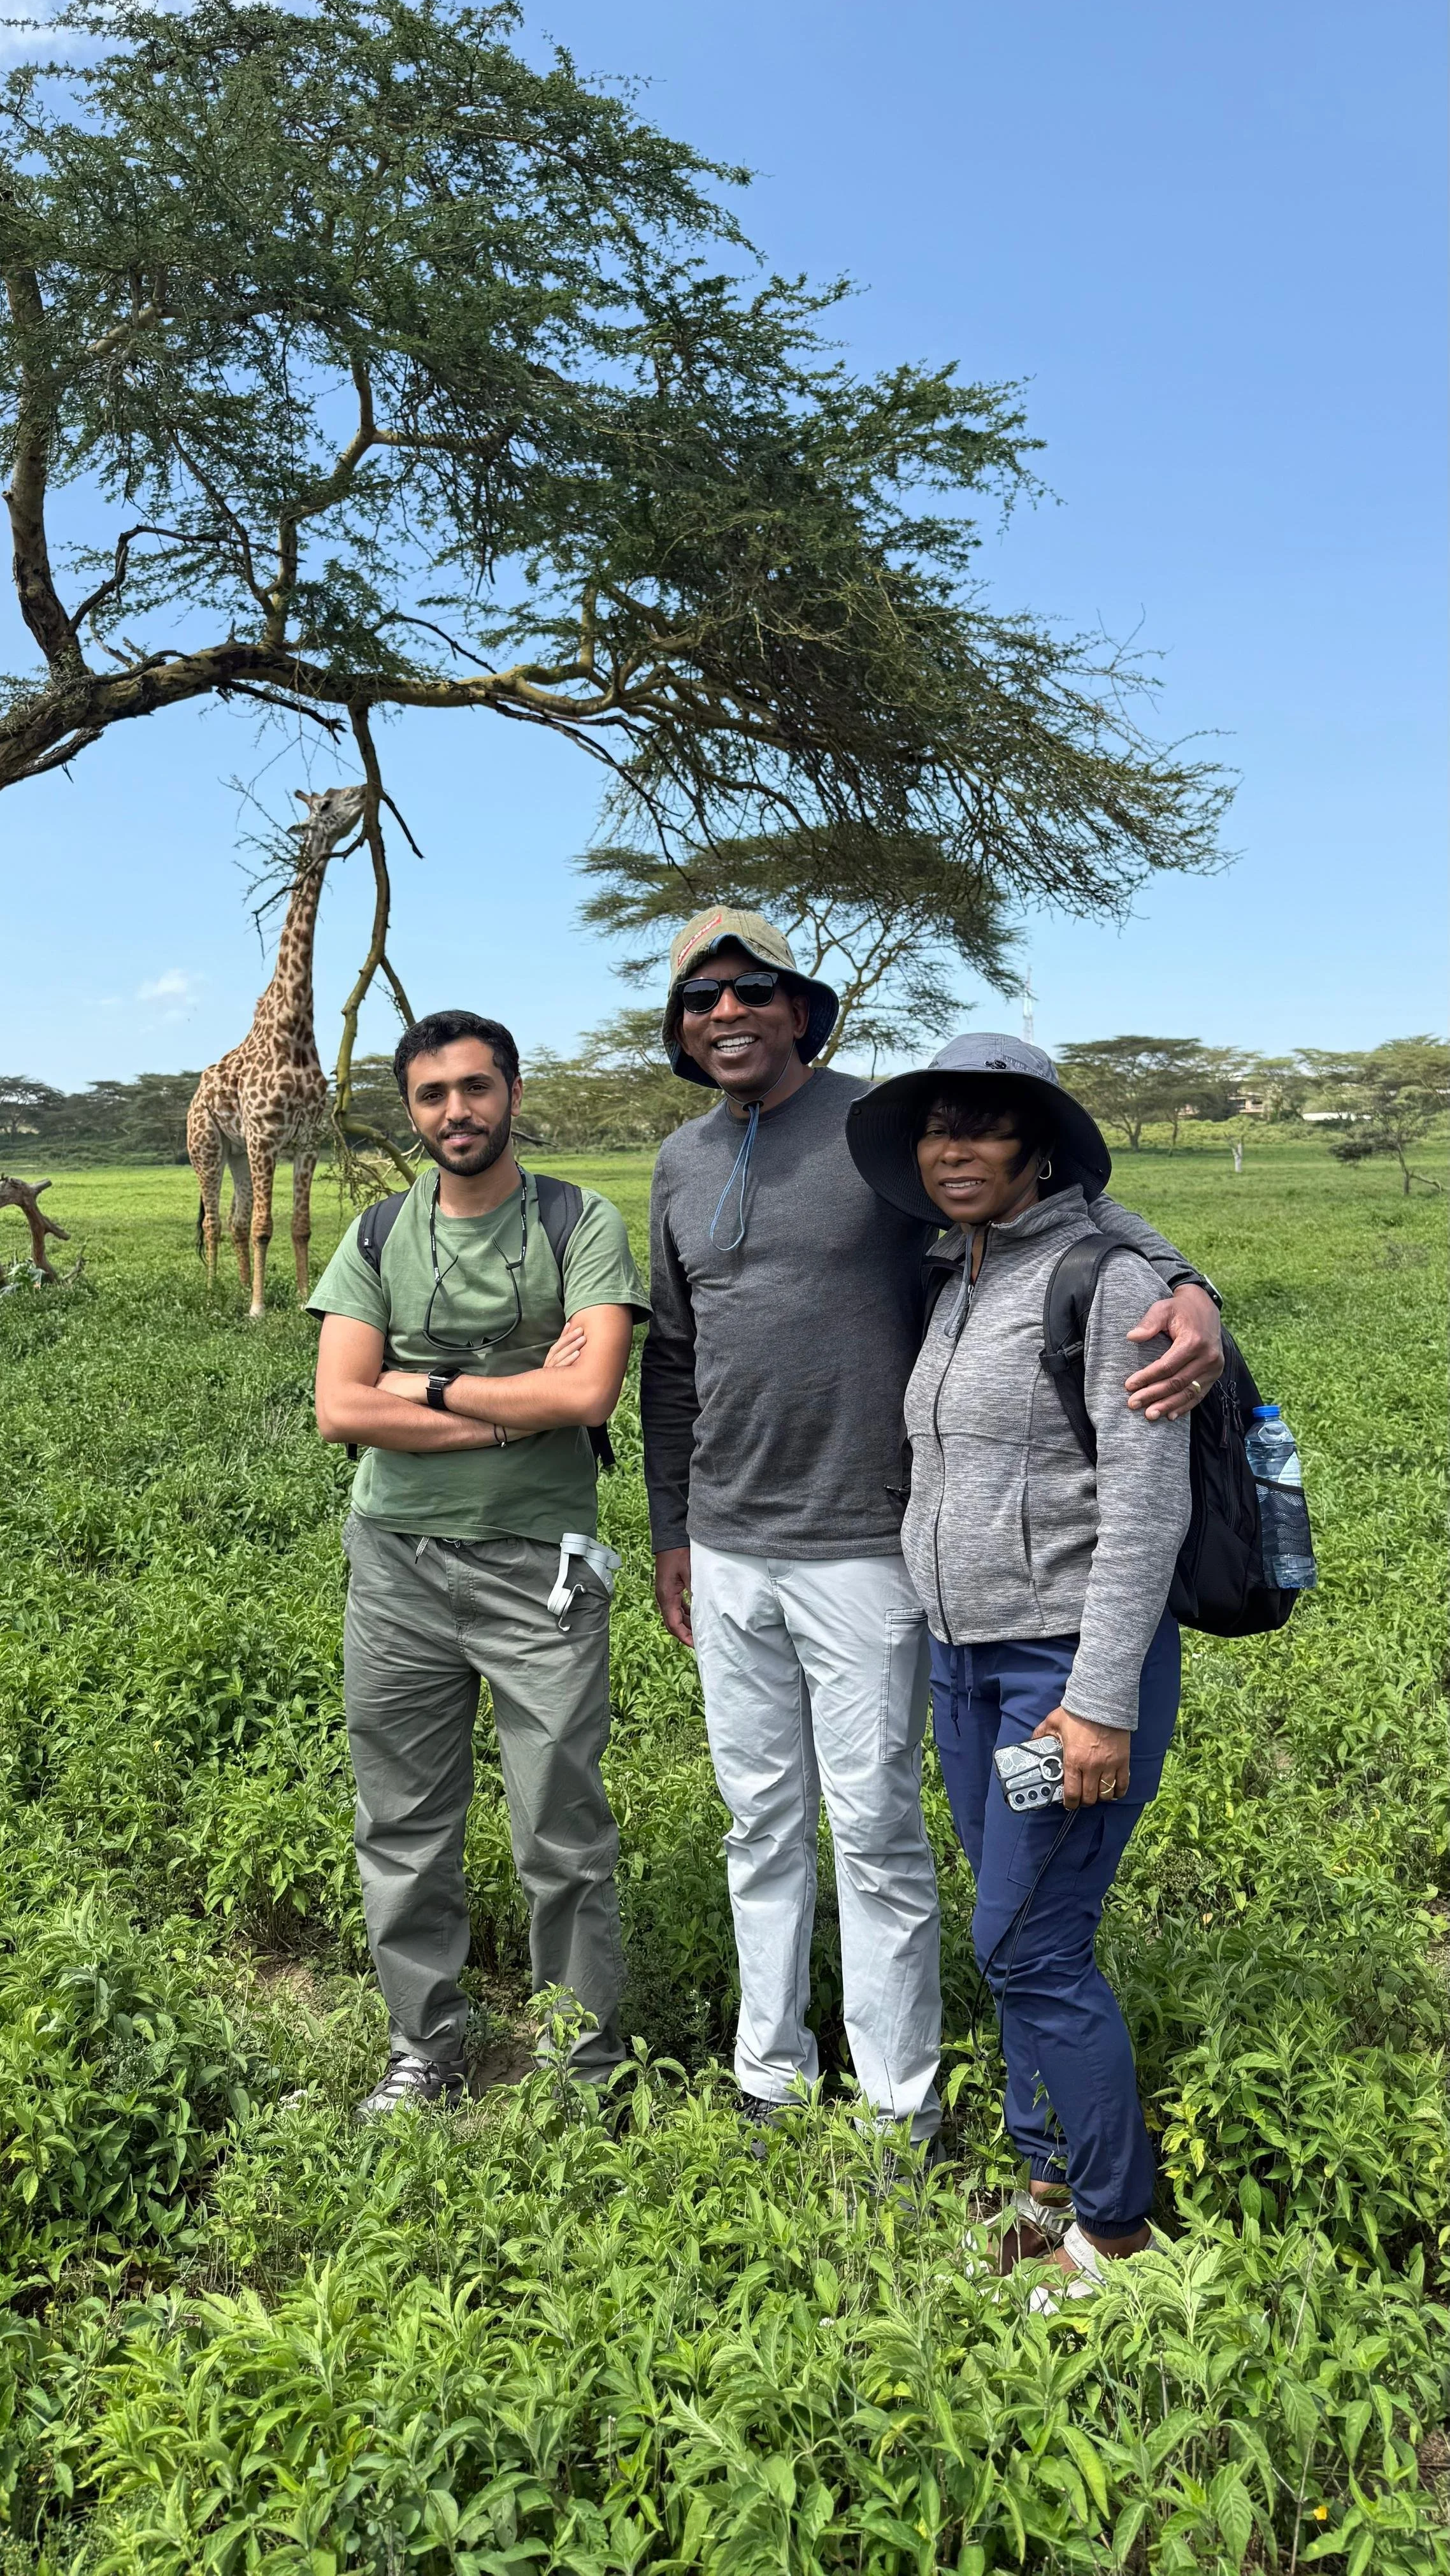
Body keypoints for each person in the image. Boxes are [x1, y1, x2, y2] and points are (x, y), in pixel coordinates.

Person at [633, 908, 1221, 2152]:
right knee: (759, 1818)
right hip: (729, 1543)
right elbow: (673, 1357)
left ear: (801, 1008)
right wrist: (670, 1525)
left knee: (878, 1828)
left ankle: (898, 2101)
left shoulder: (883, 1134)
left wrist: (1188, 1286)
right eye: (702, 1000)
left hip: (867, 1545)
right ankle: (769, 2065)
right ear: (683, 1031)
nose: (727, 1014)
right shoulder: (680, 1163)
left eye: (753, 991)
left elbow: (1066, 1215)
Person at [845, 1036, 1194, 2289]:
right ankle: (1048, 2182)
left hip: (1065, 1671)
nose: (955, 1147)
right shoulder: (960, 1276)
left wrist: (1098, 1704)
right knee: (1017, 1937)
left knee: (1032, 1944)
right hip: (966, 1662)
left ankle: (1118, 2229)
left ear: (1039, 1148)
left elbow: (1147, 1508)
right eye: (941, 1126)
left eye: (987, 1126)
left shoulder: (1105, 1282)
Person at [309, 1008, 649, 2117]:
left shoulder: (580, 1220)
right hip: (396, 1565)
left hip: (538, 1567)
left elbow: (587, 1394)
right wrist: (514, 1413)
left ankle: (579, 2064)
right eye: (431, 1095)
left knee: (560, 1821)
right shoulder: (373, 1237)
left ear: (512, 1092)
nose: (456, 1111)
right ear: (411, 1112)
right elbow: (338, 1409)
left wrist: (431, 1388)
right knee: (403, 1820)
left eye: (475, 1088)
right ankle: (427, 2044)